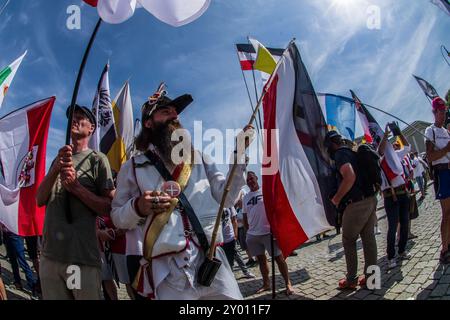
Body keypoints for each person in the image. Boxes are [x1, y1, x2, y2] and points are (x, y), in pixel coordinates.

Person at [111, 87, 254, 299]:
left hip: (211, 261)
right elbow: (117, 217)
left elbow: (228, 198)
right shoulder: (132, 167)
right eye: (166, 112)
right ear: (149, 122)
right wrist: (138, 207)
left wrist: (239, 155)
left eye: (176, 113)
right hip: (168, 273)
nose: (175, 116)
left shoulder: (200, 158)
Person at [36, 104, 115, 300]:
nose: (75, 119)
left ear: (92, 128)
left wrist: (77, 188)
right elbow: (39, 200)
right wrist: (55, 169)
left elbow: (109, 206)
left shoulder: (98, 160)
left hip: (80, 260)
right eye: (73, 116)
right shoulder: (58, 159)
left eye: (81, 117)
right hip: (50, 256)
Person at [324, 131, 378, 289]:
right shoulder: (352, 152)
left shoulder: (341, 154)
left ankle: (351, 280)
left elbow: (349, 176)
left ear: (332, 144)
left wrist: (336, 199)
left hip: (355, 204)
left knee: (348, 240)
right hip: (369, 199)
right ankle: (372, 280)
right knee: (369, 239)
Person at [243, 171, 294, 295]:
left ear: (256, 178)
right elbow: (245, 216)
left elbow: (277, 209)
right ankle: (266, 284)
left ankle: (288, 283)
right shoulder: (245, 197)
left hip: (268, 232)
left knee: (278, 258)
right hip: (253, 234)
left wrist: (277, 228)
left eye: (251, 178)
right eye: (248, 180)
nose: (250, 181)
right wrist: (247, 232)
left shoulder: (265, 192)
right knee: (261, 260)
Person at [378, 125, 412, 269]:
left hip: (403, 193)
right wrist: (385, 135)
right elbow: (380, 150)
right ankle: (391, 256)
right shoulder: (379, 157)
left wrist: (399, 133)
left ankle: (402, 250)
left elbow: (408, 147)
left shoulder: (396, 155)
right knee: (392, 227)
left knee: (405, 223)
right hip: (390, 196)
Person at [424, 97, 450, 264]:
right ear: (434, 112)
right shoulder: (430, 131)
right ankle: (444, 249)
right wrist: (447, 149)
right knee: (446, 214)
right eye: (440, 111)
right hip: (442, 174)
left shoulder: (447, 132)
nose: (443, 114)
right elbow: (431, 157)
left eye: (444, 111)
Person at [220, 207, 255, 279]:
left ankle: (245, 272)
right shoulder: (214, 204)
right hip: (220, 238)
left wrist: (235, 235)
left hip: (230, 236)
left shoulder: (229, 205)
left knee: (236, 255)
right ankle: (229, 274)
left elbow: (234, 220)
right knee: (224, 257)